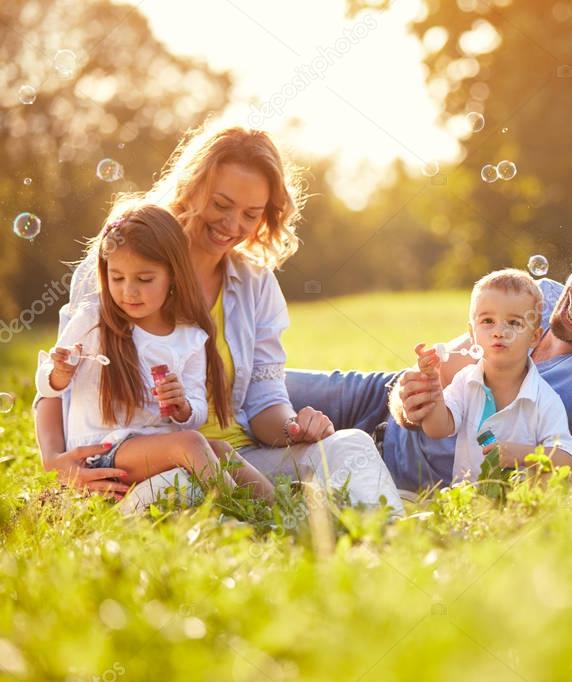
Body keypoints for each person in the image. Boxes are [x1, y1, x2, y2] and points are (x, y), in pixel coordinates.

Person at [34, 125, 403, 514]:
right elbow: (56, 384)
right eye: (221, 204)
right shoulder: (121, 266)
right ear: (191, 187)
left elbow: (264, 399)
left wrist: (294, 428)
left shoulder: (254, 284)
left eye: (250, 214)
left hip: (237, 462)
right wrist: (55, 461)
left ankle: (381, 537)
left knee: (351, 446)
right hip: (141, 465)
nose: (232, 225)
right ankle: (270, 520)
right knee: (181, 490)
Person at [286, 224, 572, 491]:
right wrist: (409, 400)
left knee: (269, 447)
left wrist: (528, 460)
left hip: (398, 471)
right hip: (378, 397)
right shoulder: (544, 294)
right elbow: (443, 367)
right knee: (255, 385)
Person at [35, 205, 273, 499]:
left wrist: (183, 406)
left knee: (221, 449)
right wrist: (58, 374)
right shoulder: (93, 319)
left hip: (151, 449)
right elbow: (46, 387)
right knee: (190, 445)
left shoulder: (190, 337)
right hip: (101, 452)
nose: (128, 292)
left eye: (144, 279)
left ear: (173, 276)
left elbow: (197, 410)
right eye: (117, 278)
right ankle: (240, 509)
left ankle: (277, 505)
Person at [414, 269, 572, 482]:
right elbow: (436, 429)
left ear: (534, 338)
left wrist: (522, 455)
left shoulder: (543, 398)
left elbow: (565, 457)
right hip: (468, 501)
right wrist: (433, 387)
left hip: (520, 505)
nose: (499, 331)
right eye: (488, 321)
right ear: (472, 334)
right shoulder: (464, 382)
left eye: (514, 323)